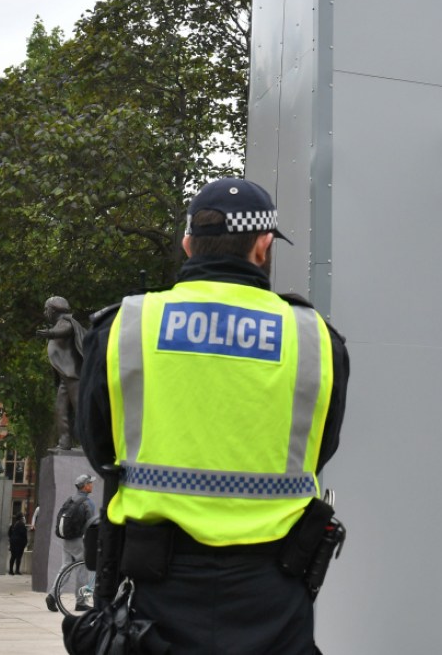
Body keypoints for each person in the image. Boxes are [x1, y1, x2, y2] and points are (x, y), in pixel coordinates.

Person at [79, 176, 350, 654]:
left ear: (188, 244)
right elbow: (320, 449)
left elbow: (100, 449)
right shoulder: (316, 340)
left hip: (150, 601)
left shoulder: (126, 326)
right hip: (275, 599)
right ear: (263, 246)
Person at [37, 296, 88, 450]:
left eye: (46, 309)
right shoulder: (61, 323)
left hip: (74, 376)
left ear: (52, 310)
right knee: (60, 410)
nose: (45, 312)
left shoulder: (67, 322)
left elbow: (65, 330)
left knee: (80, 409)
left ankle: (87, 444)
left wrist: (50, 333)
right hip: (65, 377)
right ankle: (64, 441)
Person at [46, 474, 95, 612]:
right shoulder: (87, 503)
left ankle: (52, 595)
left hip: (67, 539)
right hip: (79, 540)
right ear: (85, 486)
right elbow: (91, 525)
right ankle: (81, 602)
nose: (92, 485)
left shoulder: (70, 500)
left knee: (65, 568)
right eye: (90, 483)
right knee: (82, 569)